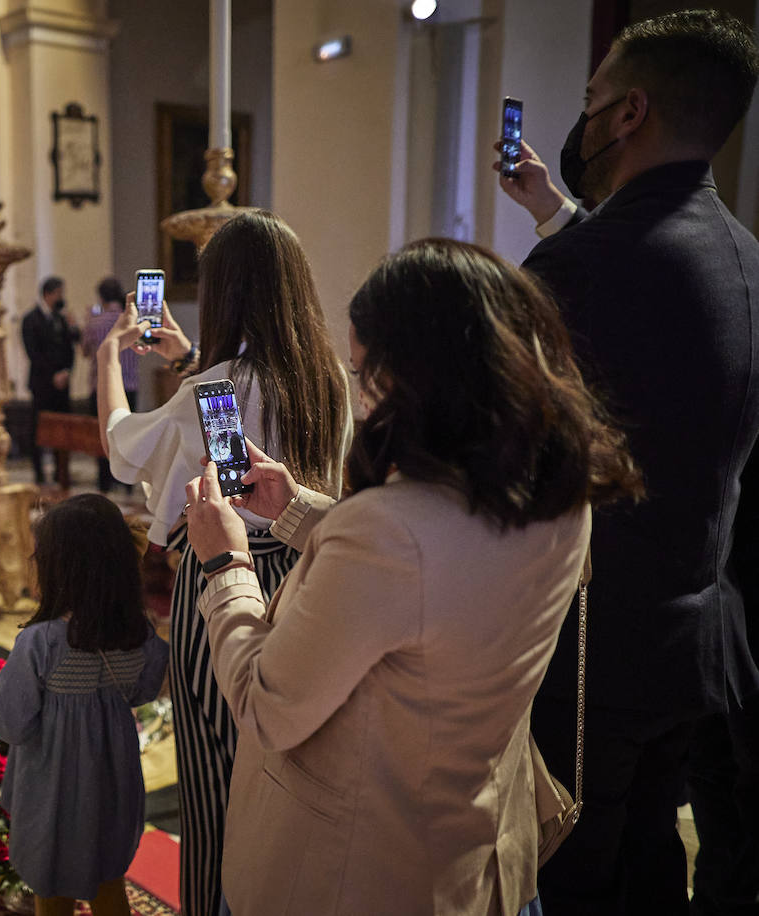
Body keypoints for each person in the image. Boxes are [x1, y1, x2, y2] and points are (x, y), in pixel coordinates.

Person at [182, 239, 641, 915]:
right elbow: (439, 583)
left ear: (420, 379)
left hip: (356, 868)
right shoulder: (556, 496)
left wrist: (227, 564)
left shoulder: (392, 533)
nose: (364, 400)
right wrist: (298, 509)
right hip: (476, 849)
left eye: (366, 373)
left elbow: (268, 706)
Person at [494, 11, 759, 913]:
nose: (586, 119)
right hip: (698, 642)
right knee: (651, 857)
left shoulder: (582, 266)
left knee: (568, 872)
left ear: (630, 113)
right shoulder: (749, 260)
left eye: (592, 100)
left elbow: (500, 453)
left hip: (590, 651)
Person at [95, 210, 352, 916]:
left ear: (225, 293)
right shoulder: (325, 376)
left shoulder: (214, 387)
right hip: (306, 579)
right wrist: (191, 363)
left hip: (222, 583)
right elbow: (246, 409)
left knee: (216, 787)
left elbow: (124, 448)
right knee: (285, 780)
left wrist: (106, 361)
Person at [0, 493, 168, 916]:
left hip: (53, 788)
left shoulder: (41, 642)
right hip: (112, 780)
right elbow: (143, 692)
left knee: (51, 888)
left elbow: (11, 723)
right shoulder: (138, 632)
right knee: (108, 882)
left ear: (59, 567)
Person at [81, 277, 138, 493]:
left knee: (104, 436)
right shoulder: (131, 320)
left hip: (102, 387)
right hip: (130, 385)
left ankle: (104, 481)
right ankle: (128, 484)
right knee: (130, 436)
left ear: (101, 298)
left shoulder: (96, 322)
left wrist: (88, 320)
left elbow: (85, 351)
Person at [21, 276, 80, 486]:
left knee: (62, 427)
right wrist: (52, 375)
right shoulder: (31, 319)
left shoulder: (61, 318)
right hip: (42, 383)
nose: (62, 298)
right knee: (39, 426)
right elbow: (33, 353)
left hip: (62, 383)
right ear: (48, 294)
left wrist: (66, 371)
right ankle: (39, 472)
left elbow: (71, 347)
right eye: (59, 294)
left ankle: (60, 470)